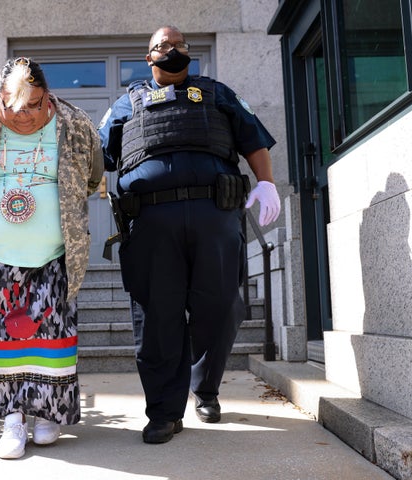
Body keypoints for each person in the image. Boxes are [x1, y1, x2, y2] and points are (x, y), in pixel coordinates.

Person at [98, 26, 281, 444]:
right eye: (163, 46)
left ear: (189, 52)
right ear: (149, 57)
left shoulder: (217, 94)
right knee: (158, 318)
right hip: (150, 225)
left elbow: (253, 139)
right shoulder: (127, 103)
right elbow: (96, 154)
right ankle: (164, 412)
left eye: (179, 45)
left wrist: (266, 181)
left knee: (218, 309)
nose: (172, 50)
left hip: (214, 216)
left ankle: (207, 389)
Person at [0, 57, 103, 459]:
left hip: (53, 254)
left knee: (52, 338)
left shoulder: (74, 123)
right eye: (16, 107)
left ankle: (47, 415)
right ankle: (11, 421)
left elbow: (91, 174)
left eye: (35, 105)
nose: (27, 115)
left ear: (47, 97)